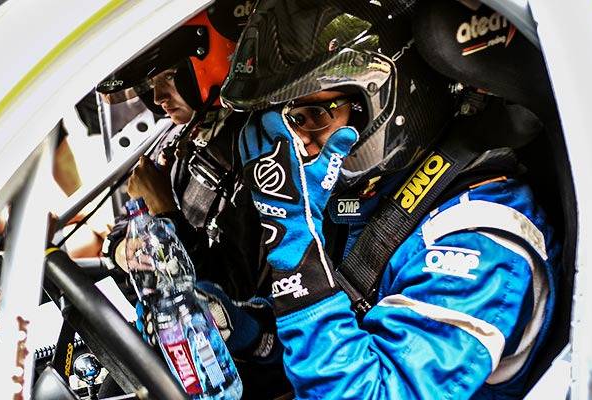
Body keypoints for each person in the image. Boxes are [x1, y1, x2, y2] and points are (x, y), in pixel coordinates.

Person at [219, 0, 561, 399]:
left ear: (382, 103)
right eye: (276, 124)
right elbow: (340, 335)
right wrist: (249, 331)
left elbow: (363, 390)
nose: (291, 147)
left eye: (309, 116)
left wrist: (294, 242)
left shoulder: (481, 241)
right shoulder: (376, 197)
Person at [96, 6, 292, 398]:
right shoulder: (182, 138)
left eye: (168, 77)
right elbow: (123, 230)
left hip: (229, 362)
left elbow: (229, 295)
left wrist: (166, 213)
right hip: (170, 337)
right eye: (152, 84)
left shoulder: (258, 150)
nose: (157, 98)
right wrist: (123, 251)